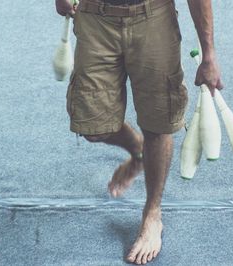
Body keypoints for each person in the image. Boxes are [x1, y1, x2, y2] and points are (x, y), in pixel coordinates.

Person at [55, 0, 223, 264]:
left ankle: (152, 213)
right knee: (93, 125)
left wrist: (209, 54)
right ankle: (138, 149)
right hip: (96, 17)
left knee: (158, 124)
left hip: (153, 18)